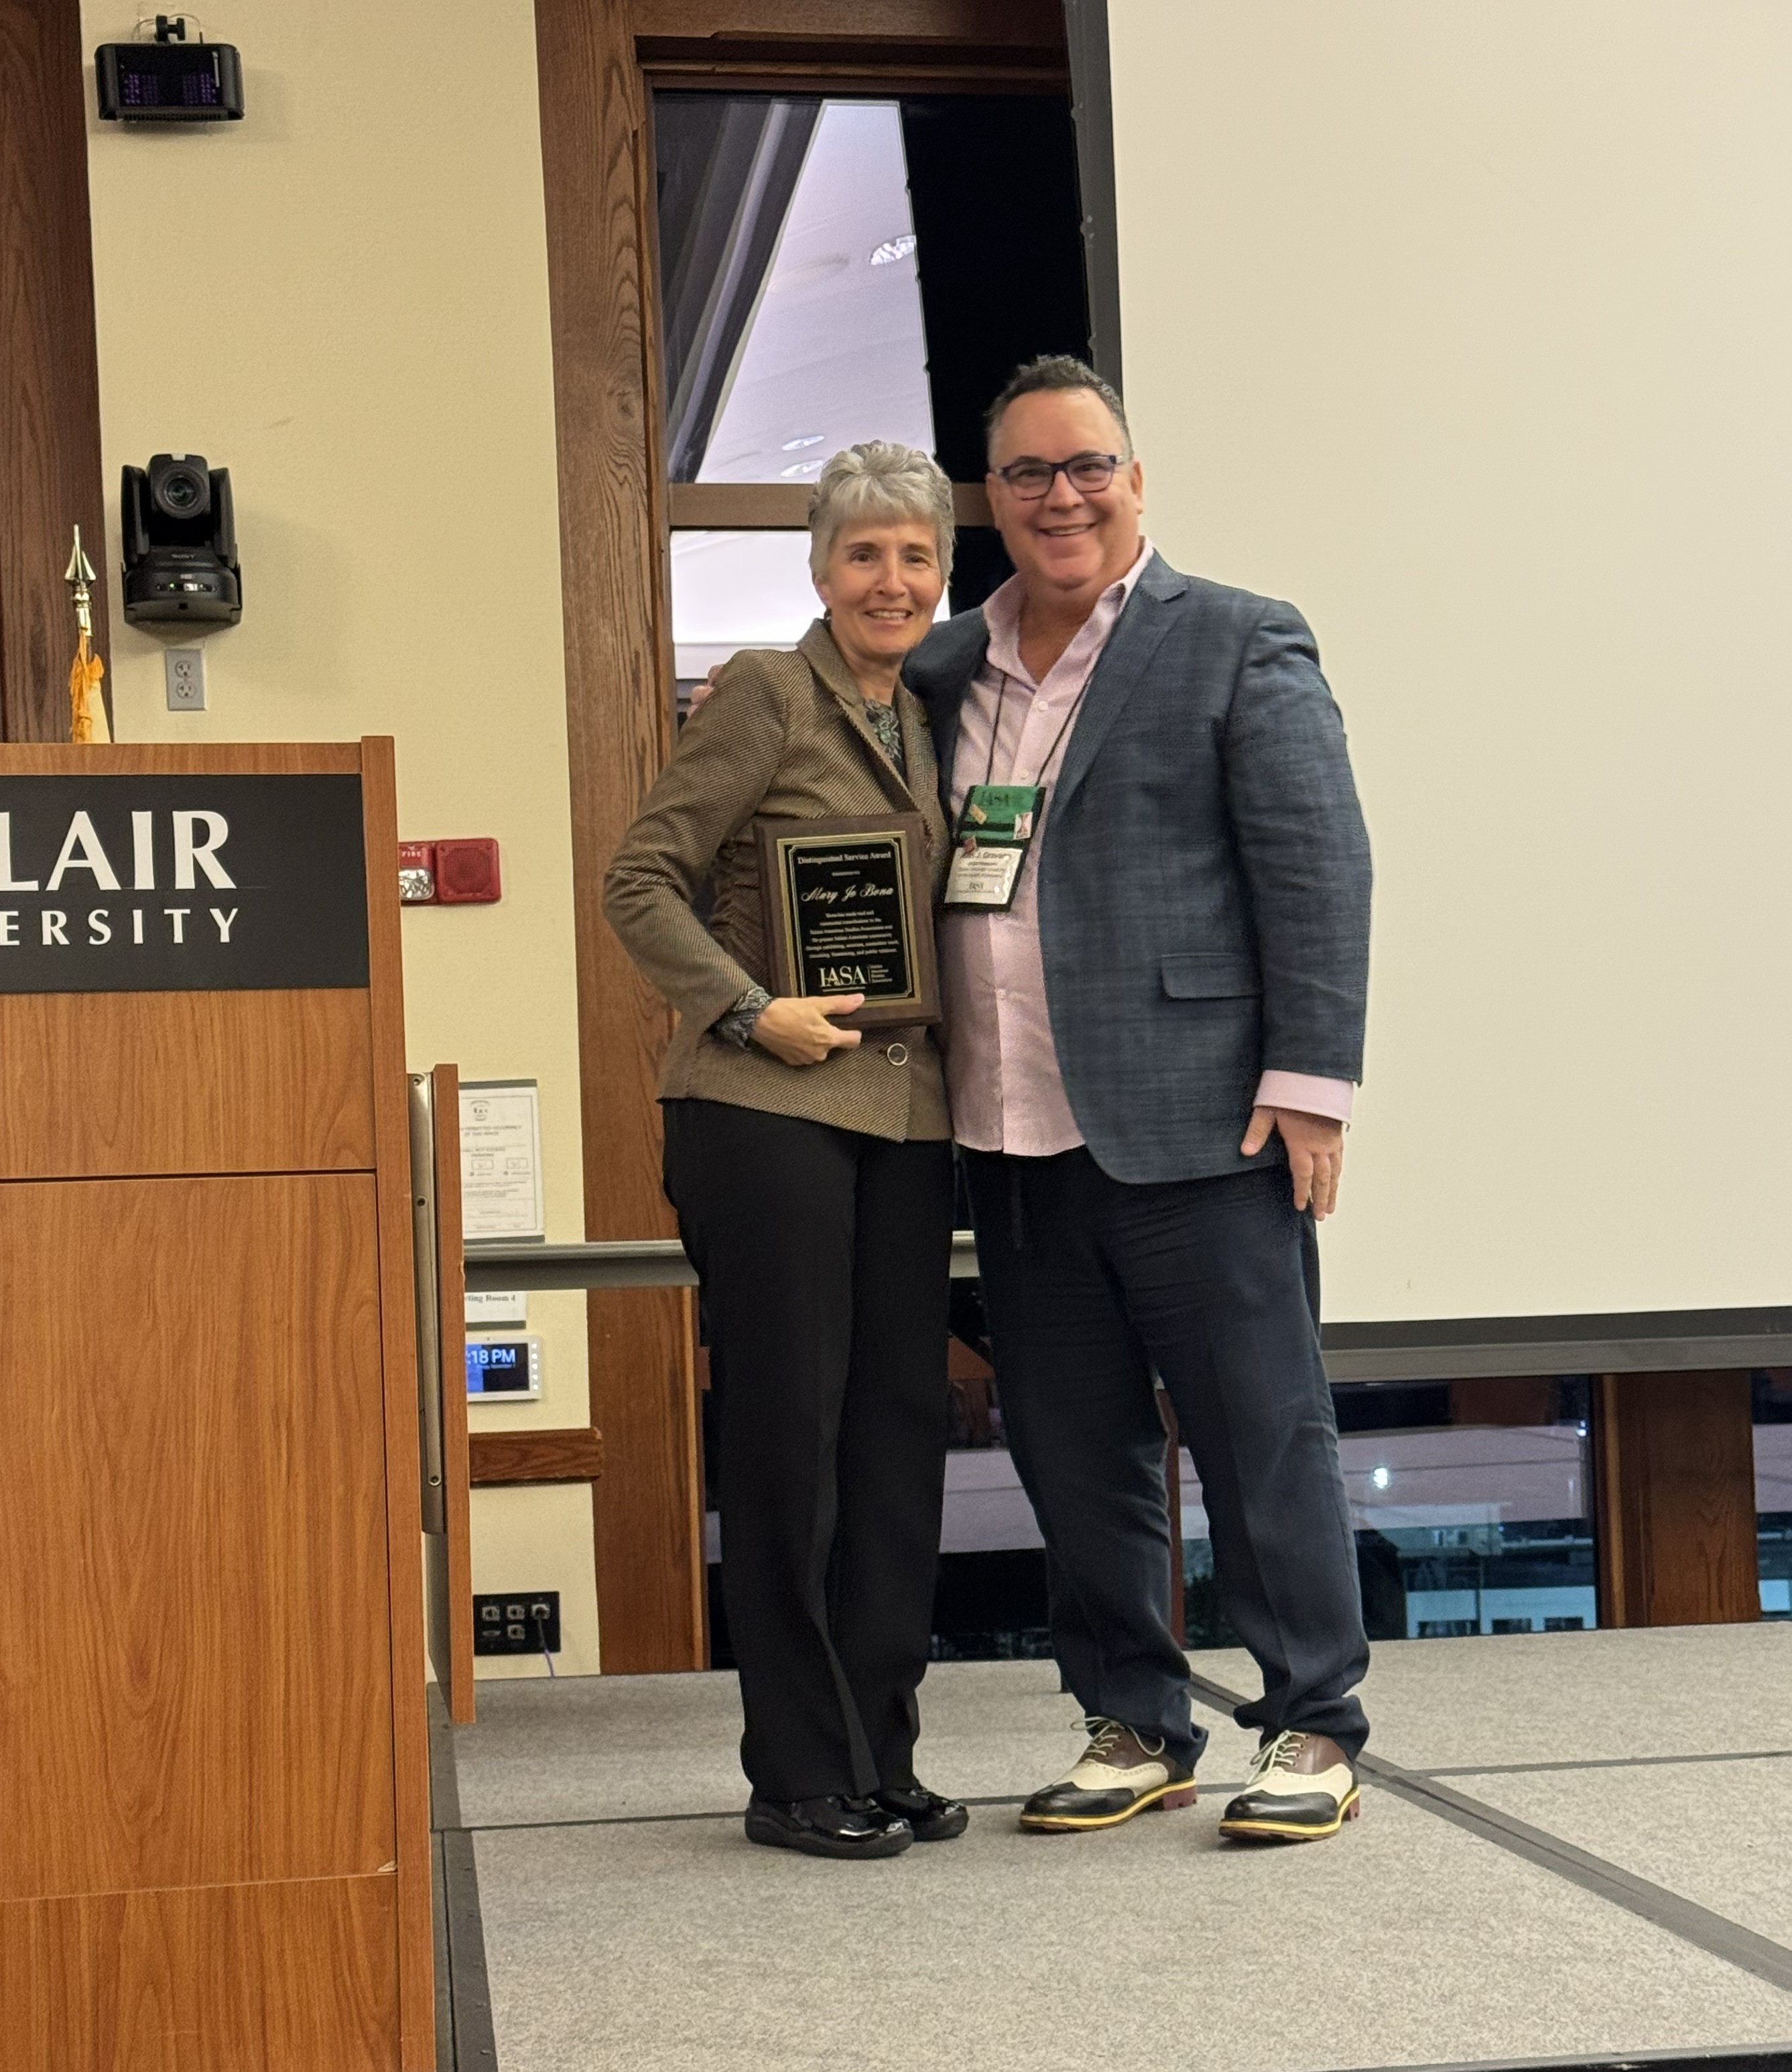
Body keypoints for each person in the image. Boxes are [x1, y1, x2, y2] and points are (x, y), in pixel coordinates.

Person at [902, 356, 1374, 1842]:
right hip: (1009, 1132)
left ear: (1135, 477)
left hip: (1200, 1126)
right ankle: (1132, 1718)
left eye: (1086, 464)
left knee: (1259, 1432)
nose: (1062, 496)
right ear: (991, 499)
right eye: (1029, 474)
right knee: (1070, 1442)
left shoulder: (1233, 637)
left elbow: (1315, 867)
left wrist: (1308, 1086)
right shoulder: (937, 671)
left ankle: (1309, 1722)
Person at [603, 442, 965, 1861]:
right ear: (820, 568)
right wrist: (751, 1011)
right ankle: (796, 1773)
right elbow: (641, 878)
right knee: (786, 1446)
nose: (892, 579)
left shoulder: (931, 712)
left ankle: (880, 1750)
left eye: (916, 555)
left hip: (904, 1119)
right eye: (865, 553)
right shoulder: (765, 687)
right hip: (763, 1117)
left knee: (896, 1441)